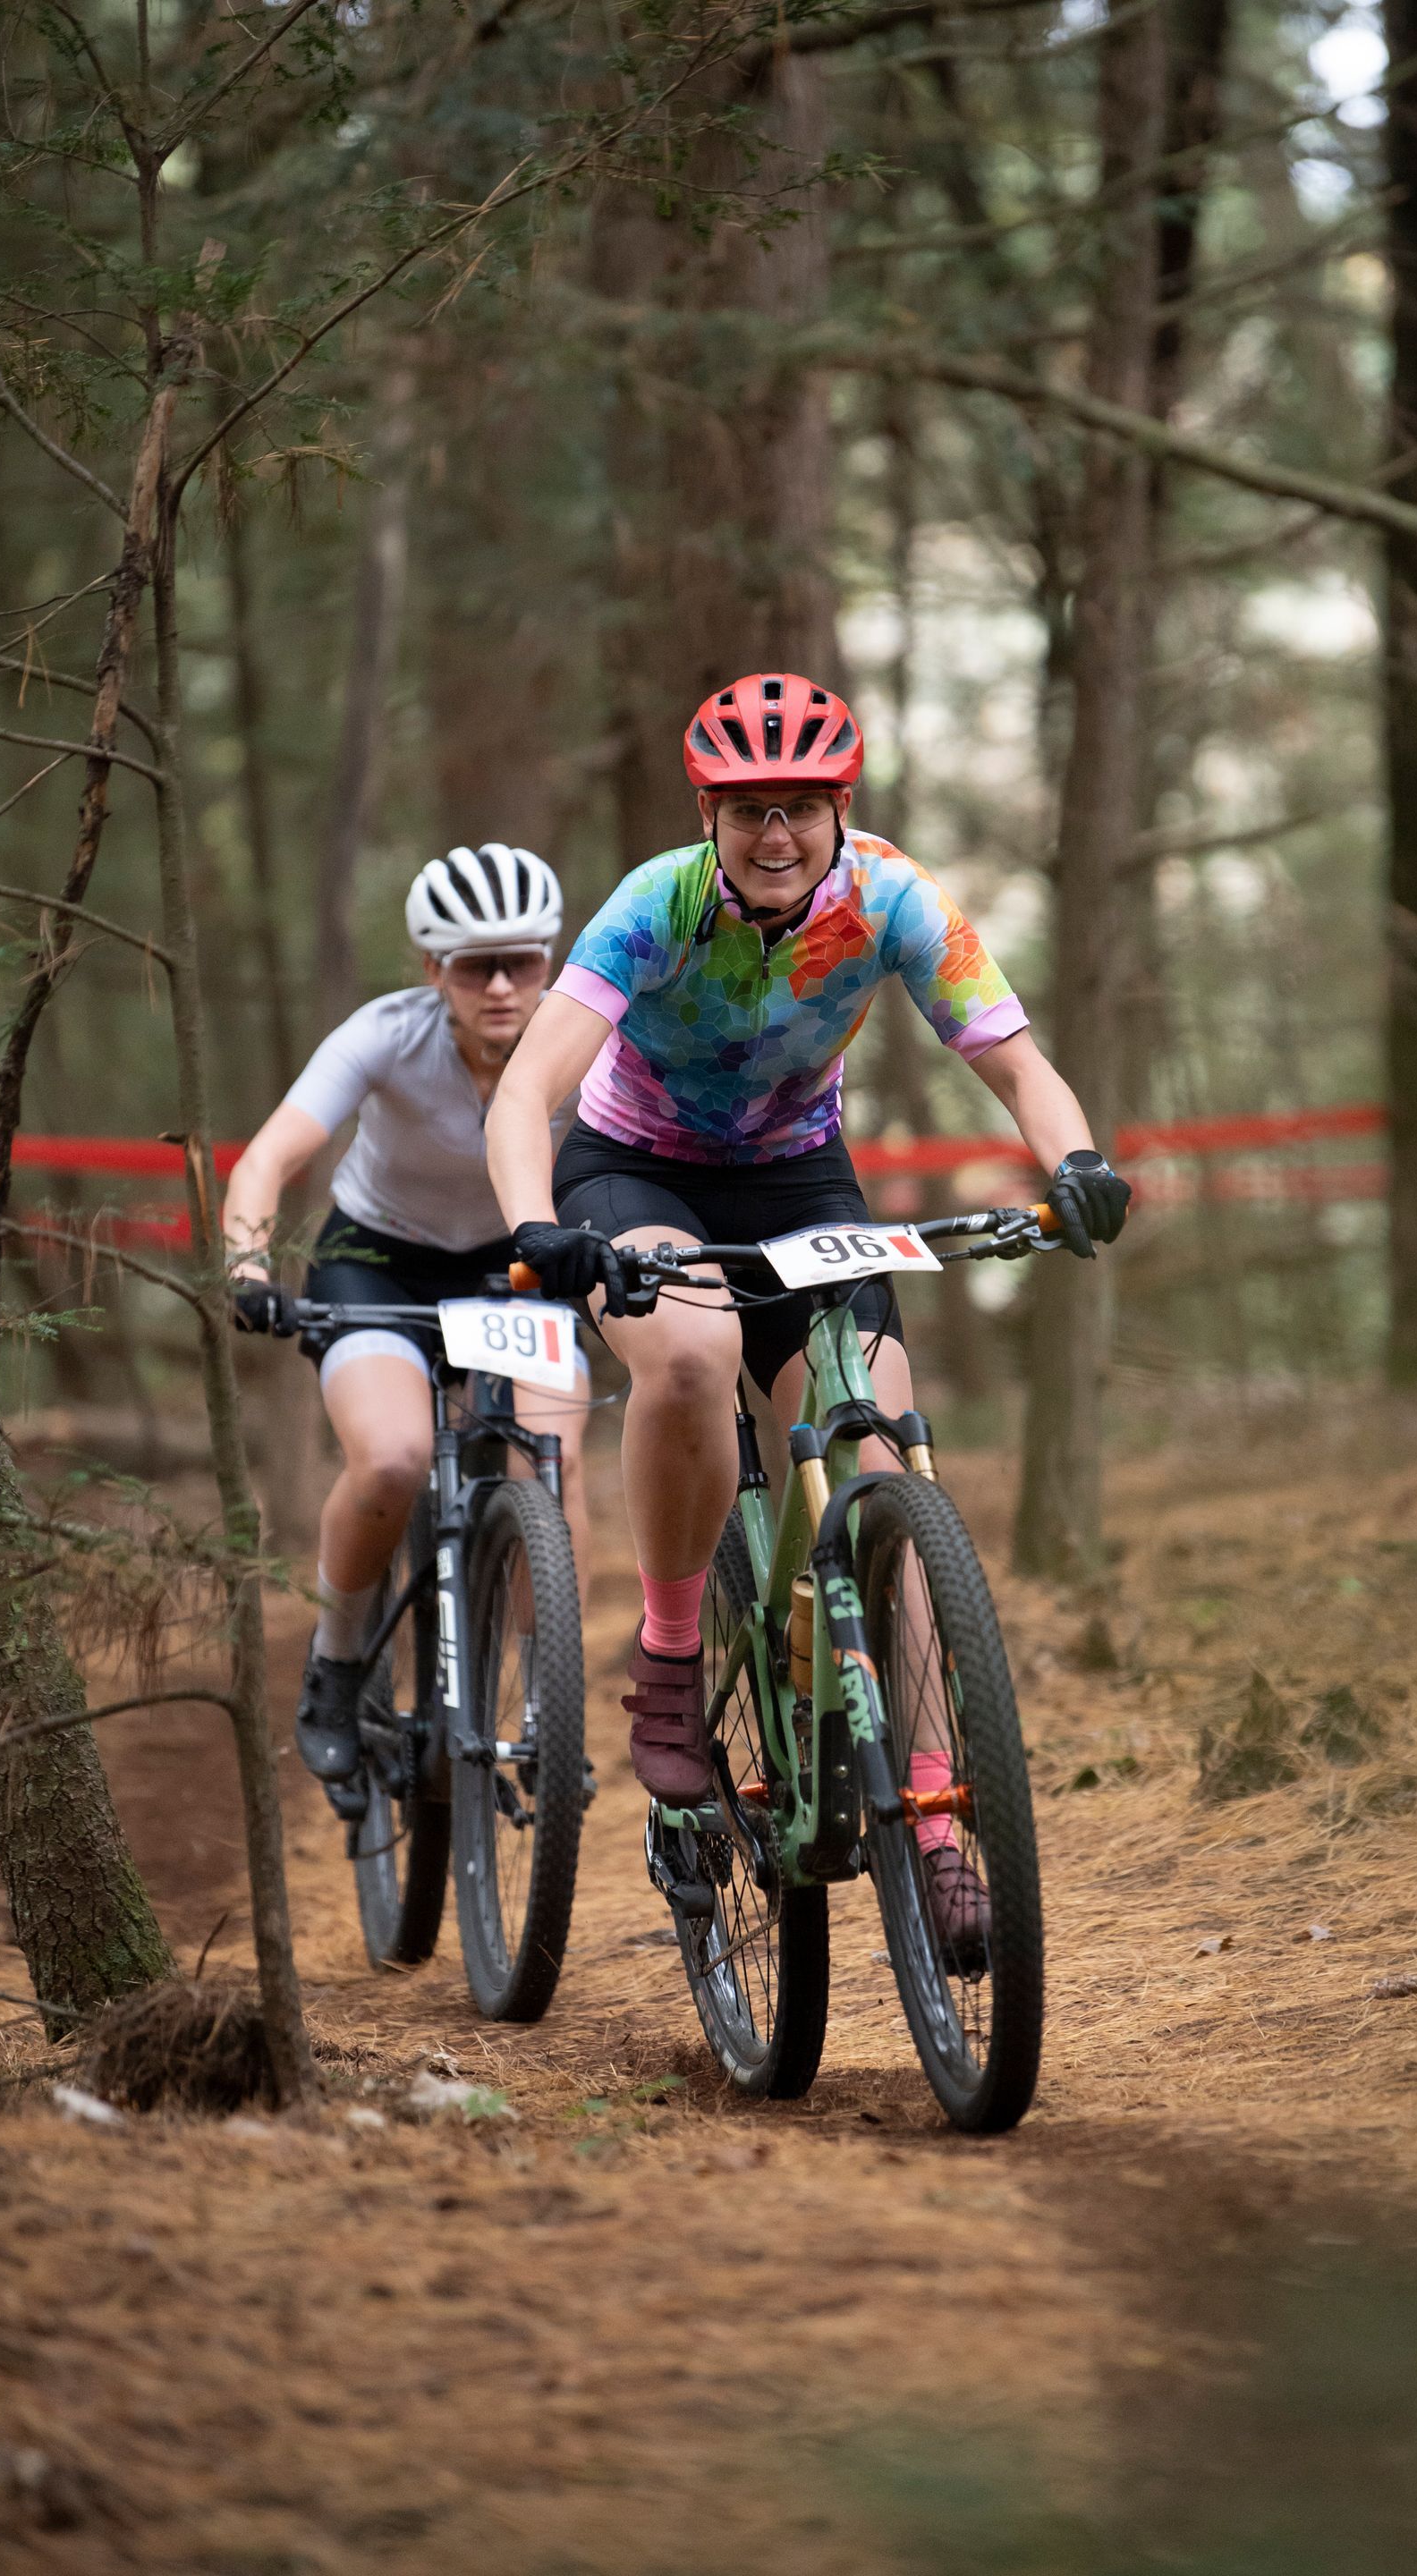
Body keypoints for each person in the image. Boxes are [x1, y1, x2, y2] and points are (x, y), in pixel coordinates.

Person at [485, 673, 1128, 1946]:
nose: (775, 836)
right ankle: (672, 1660)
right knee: (691, 1347)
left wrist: (1078, 1165)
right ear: (710, 817)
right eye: (748, 812)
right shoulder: (655, 905)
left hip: (799, 1179)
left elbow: (1012, 1060)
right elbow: (524, 1094)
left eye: (801, 809)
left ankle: (939, 1825)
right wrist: (536, 1230)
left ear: (843, 808)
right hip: (637, 1168)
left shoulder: (891, 895)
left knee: (882, 1453)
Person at [224, 842, 591, 1816]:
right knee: (391, 1457)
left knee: (553, 1460)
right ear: (434, 970)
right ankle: (339, 1663)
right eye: (477, 966)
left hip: (511, 1271)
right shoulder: (383, 1035)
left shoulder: (586, 1045)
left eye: (525, 960)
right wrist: (249, 1268)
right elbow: (266, 1161)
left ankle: (552, 1703)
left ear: (552, 961)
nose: (505, 985)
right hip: (376, 1264)